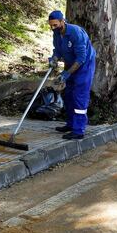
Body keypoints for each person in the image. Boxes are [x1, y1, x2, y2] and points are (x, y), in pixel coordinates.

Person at [47, 10, 96, 140]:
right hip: (70, 64)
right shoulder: (56, 34)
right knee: (68, 95)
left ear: (63, 21)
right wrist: (54, 59)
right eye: (51, 25)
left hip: (85, 66)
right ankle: (70, 124)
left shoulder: (75, 33)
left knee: (79, 96)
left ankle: (79, 130)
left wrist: (67, 74)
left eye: (55, 25)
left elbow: (81, 58)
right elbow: (58, 50)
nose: (53, 28)